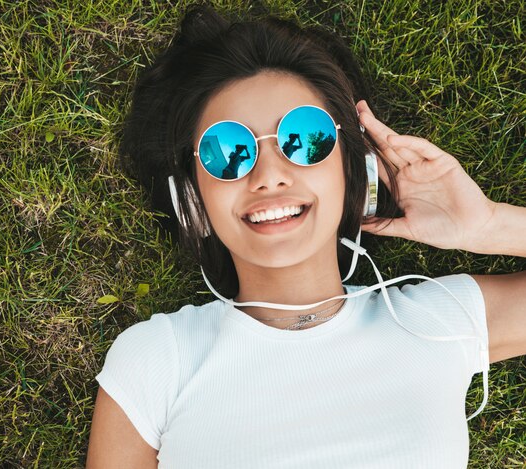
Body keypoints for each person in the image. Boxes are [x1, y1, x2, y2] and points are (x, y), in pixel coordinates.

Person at [86, 6, 526, 468]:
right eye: (226, 153)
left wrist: (486, 224)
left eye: (305, 138)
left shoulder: (434, 323)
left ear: (355, 168)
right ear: (191, 197)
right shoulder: (158, 359)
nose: (270, 175)